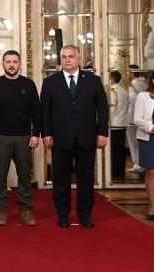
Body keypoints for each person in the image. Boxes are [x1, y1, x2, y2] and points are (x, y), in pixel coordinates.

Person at [41, 44, 108, 228]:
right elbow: (44, 112)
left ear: (78, 59)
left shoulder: (93, 81)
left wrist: (102, 132)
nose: (67, 60)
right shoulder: (50, 82)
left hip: (86, 138)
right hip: (60, 138)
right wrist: (46, 134)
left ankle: (85, 216)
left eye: (71, 56)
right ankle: (63, 216)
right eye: (64, 57)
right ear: (60, 60)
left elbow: (102, 109)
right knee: (60, 181)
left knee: (85, 180)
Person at [0, 50, 40, 226]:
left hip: (24, 136)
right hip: (1, 136)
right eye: (8, 62)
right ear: (3, 64)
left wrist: (36, 134)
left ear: (19, 64)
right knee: (0, 175)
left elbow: (36, 112)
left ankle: (26, 210)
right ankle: (1, 210)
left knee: (25, 175)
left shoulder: (29, 84)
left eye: (15, 62)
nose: (11, 65)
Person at [133, 68, 154, 220]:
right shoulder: (143, 97)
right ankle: (151, 208)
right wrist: (152, 127)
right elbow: (137, 119)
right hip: (149, 138)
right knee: (151, 172)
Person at [109, 71, 129, 179]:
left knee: (115, 150)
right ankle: (120, 171)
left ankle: (115, 172)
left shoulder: (113, 91)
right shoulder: (124, 91)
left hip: (114, 125)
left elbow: (111, 109)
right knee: (120, 149)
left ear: (111, 79)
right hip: (122, 123)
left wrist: (106, 122)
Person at [127, 65, 146, 173]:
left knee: (133, 142)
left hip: (133, 117)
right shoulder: (143, 84)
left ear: (132, 73)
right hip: (143, 117)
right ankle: (141, 163)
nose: (127, 75)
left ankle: (138, 163)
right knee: (141, 141)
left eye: (129, 72)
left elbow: (132, 102)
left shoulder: (132, 86)